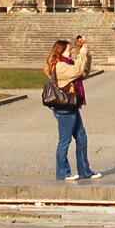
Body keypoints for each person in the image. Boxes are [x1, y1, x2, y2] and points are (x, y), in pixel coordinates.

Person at [45, 38, 99, 181]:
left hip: (72, 106)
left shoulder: (67, 64)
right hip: (64, 108)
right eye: (69, 50)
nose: (71, 52)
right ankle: (63, 171)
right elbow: (77, 71)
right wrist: (81, 55)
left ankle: (84, 170)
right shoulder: (60, 66)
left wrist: (86, 56)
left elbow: (83, 73)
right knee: (65, 140)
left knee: (82, 139)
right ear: (61, 51)